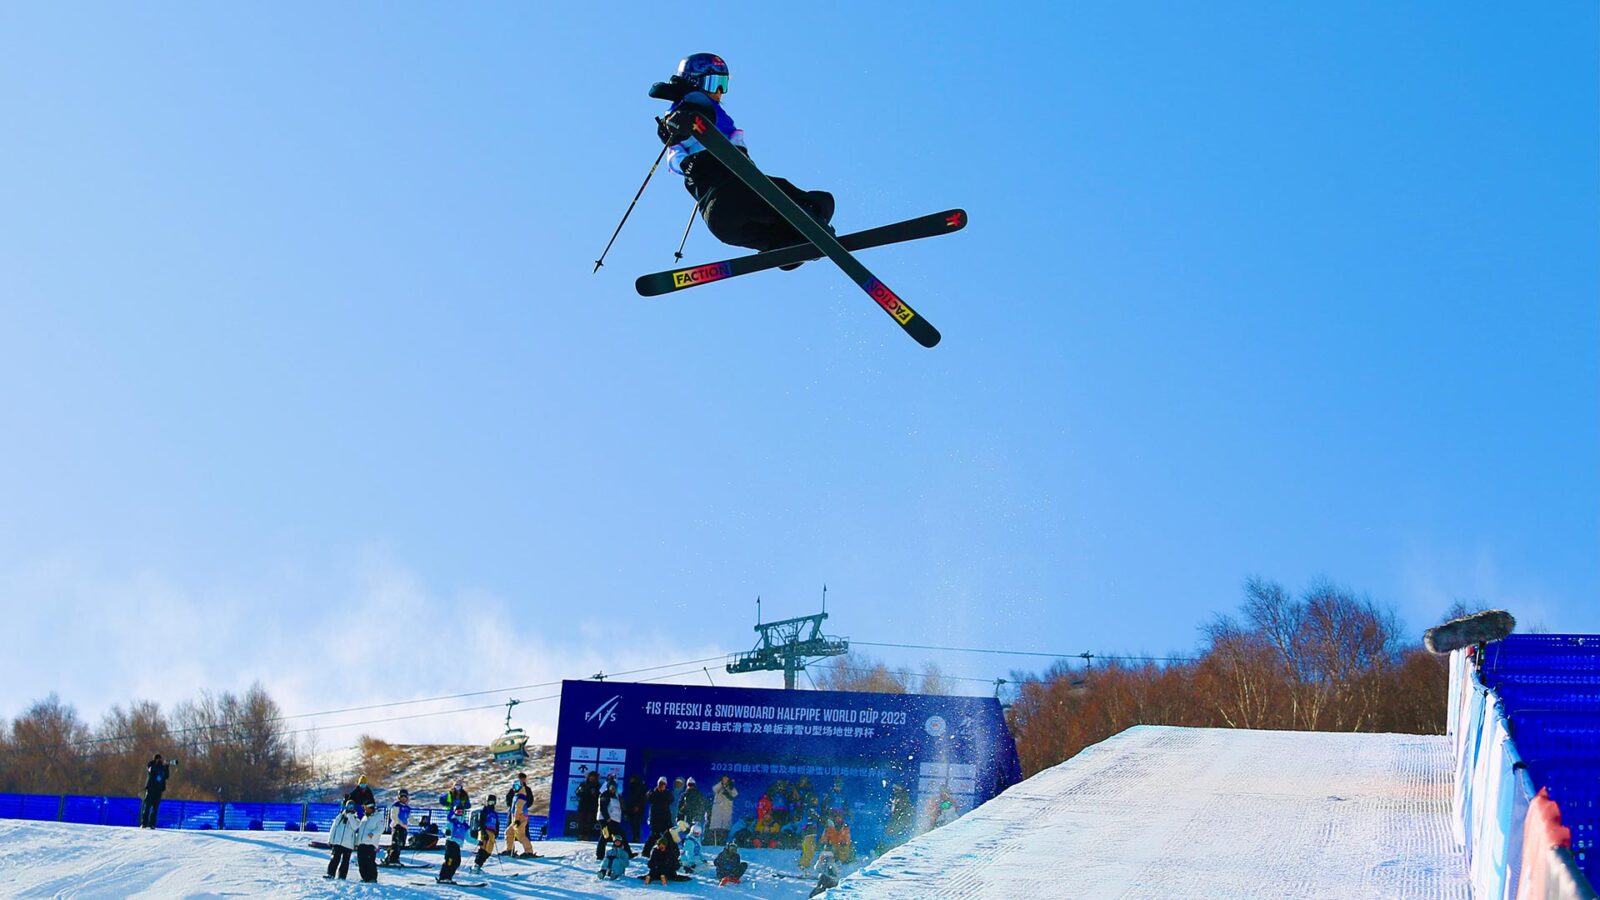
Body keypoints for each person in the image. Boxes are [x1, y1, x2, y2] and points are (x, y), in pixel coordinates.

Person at [651, 53, 835, 256]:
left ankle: (786, 249)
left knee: (775, 234)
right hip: (739, 194)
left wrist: (677, 132)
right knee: (823, 201)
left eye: (723, 84)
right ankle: (810, 218)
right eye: (713, 83)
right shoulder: (696, 104)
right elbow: (690, 114)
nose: (719, 92)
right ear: (694, 83)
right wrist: (678, 123)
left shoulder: (683, 131)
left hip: (719, 220)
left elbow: (675, 150)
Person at [437, 800, 469, 884]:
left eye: (461, 812)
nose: (460, 813)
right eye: (458, 812)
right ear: (455, 812)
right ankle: (443, 877)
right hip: (451, 843)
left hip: (457, 845)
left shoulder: (464, 825)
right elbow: (445, 827)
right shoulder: (452, 821)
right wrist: (447, 831)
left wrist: (477, 842)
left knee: (457, 862)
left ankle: (448, 877)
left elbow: (468, 837)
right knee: (450, 860)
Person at [325, 801, 358, 880]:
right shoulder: (340, 817)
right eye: (348, 806)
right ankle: (330, 874)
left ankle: (342, 876)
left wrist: (350, 816)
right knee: (334, 859)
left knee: (345, 861)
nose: (350, 808)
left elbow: (355, 827)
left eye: (352, 807)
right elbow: (333, 828)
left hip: (348, 844)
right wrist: (331, 840)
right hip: (338, 842)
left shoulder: (355, 819)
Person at [140, 753, 175, 829]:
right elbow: (152, 770)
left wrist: (166, 766)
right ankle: (144, 823)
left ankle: (152, 824)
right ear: (155, 759)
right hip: (150, 789)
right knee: (147, 807)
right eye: (159, 759)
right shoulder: (150, 765)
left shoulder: (162, 767)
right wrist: (157, 764)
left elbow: (166, 776)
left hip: (158, 790)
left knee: (155, 809)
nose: (160, 761)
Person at [503, 774, 535, 858]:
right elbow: (511, 803)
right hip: (515, 818)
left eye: (516, 786)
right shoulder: (516, 795)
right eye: (514, 786)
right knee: (508, 832)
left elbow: (518, 809)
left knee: (521, 836)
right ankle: (509, 849)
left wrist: (517, 820)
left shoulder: (521, 796)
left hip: (520, 819)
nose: (515, 788)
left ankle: (529, 852)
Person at [595, 779, 627, 860]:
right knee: (605, 836)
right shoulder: (605, 795)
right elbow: (603, 808)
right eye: (611, 787)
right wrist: (607, 818)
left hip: (614, 819)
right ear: (608, 787)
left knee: (619, 835)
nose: (613, 789)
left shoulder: (616, 796)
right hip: (605, 819)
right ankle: (600, 855)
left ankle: (624, 853)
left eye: (614, 787)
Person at [355, 802, 385, 882]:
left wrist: (373, 833)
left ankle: (372, 877)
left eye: (366, 808)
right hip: (361, 843)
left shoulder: (378, 816)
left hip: (370, 843)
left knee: (369, 861)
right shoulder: (364, 817)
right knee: (361, 861)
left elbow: (381, 828)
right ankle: (364, 877)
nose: (365, 809)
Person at [645, 776, 675, 853]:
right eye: (660, 784)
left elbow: (671, 799)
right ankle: (645, 852)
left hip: (666, 819)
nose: (661, 786)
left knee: (669, 835)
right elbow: (649, 798)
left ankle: (672, 852)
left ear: (666, 785)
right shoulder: (653, 792)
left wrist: (664, 792)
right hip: (655, 819)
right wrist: (656, 791)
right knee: (654, 835)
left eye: (663, 784)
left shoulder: (668, 794)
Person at [384, 789, 412, 866]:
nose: (403, 798)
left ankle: (393, 858)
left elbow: (410, 818)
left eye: (405, 796)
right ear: (399, 797)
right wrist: (401, 824)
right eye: (401, 796)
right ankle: (392, 859)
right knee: (396, 843)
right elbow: (394, 817)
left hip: (404, 828)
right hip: (397, 827)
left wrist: (419, 823)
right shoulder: (396, 806)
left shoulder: (407, 808)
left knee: (401, 844)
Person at [472, 796, 500, 872]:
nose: (491, 804)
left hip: (492, 832)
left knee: (488, 851)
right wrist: (483, 831)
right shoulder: (485, 810)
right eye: (489, 802)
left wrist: (496, 832)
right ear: (487, 802)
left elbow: (497, 824)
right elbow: (481, 821)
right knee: (483, 848)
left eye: (493, 802)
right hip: (485, 830)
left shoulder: (495, 813)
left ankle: (479, 865)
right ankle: (476, 865)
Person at [709, 775, 737, 845]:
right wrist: (721, 784)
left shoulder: (730, 788)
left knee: (725, 830)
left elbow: (735, 794)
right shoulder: (718, 787)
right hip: (718, 812)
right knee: (717, 830)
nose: (725, 780)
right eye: (724, 779)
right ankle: (715, 844)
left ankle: (723, 843)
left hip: (726, 812)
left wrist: (730, 787)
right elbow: (714, 789)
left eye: (726, 779)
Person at [575, 770, 601, 841]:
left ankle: (587, 835)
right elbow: (577, 793)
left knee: (590, 822)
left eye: (593, 778)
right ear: (588, 777)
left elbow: (600, 796)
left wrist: (595, 794)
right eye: (591, 777)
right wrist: (580, 791)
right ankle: (580, 835)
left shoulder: (598, 786)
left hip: (592, 807)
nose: (592, 779)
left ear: (596, 778)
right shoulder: (583, 784)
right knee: (581, 821)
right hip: (582, 806)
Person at [623, 774, 647, 843]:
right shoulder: (632, 787)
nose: (630, 780)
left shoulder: (639, 787)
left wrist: (637, 806)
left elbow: (641, 798)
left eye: (632, 779)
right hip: (631, 808)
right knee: (633, 823)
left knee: (636, 823)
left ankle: (637, 838)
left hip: (637, 809)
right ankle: (635, 837)